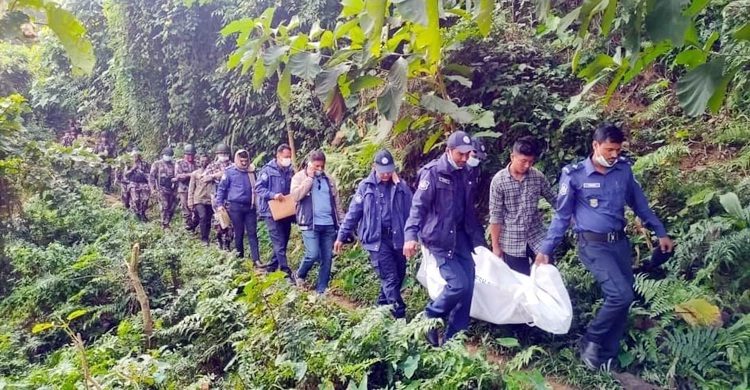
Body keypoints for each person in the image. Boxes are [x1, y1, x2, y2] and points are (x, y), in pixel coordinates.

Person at [535, 124, 674, 370]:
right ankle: (591, 340)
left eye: (618, 150)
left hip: (619, 244)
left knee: (624, 297)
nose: (614, 155)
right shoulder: (574, 174)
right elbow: (561, 216)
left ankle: (607, 356)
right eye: (609, 149)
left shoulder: (623, 171)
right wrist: (546, 249)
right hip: (593, 245)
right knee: (620, 295)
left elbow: (640, 205)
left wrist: (660, 232)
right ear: (595, 146)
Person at [403, 131, 487, 346]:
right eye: (461, 154)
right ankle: (429, 317)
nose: (465, 158)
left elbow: (468, 210)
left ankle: (453, 339)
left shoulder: (468, 172)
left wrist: (479, 242)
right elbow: (418, 207)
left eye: (468, 154)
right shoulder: (432, 173)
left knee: (468, 287)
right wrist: (410, 235)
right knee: (457, 284)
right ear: (449, 151)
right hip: (439, 238)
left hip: (462, 237)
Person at [334, 149, 412, 318]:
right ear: (374, 167)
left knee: (398, 276)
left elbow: (413, 209)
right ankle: (400, 318)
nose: (386, 175)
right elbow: (353, 213)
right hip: (377, 240)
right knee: (390, 278)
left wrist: (400, 185)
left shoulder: (400, 186)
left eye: (389, 171)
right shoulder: (366, 187)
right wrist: (341, 235)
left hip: (398, 239)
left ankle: (378, 314)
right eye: (382, 171)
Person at [489, 136, 557, 275]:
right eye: (523, 161)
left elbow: (554, 199)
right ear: (512, 157)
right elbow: (496, 217)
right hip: (511, 241)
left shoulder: (537, 176)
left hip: (537, 237)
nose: (527, 165)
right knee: (520, 283)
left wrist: (573, 217)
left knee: (548, 275)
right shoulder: (499, 181)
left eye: (531, 162)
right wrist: (496, 247)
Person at [291, 150, 343, 294]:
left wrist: (343, 223)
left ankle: (321, 291)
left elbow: (336, 203)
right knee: (312, 254)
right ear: (310, 164)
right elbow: (295, 196)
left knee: (327, 258)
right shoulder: (299, 177)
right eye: (316, 166)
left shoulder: (329, 180)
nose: (319, 169)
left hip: (328, 224)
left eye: (322, 166)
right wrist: (309, 178)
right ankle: (300, 274)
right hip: (309, 223)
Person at [255, 144, 295, 278]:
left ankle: (272, 266)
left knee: (283, 240)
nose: (288, 159)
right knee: (278, 241)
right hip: (270, 211)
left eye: (289, 157)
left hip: (285, 211)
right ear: (278, 156)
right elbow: (258, 188)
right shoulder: (267, 170)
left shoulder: (289, 170)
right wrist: (273, 195)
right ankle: (285, 271)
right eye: (285, 157)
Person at [216, 149, 261, 265]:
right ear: (237, 160)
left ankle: (256, 259)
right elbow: (221, 189)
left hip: (250, 207)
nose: (244, 163)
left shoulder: (251, 171)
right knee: (239, 232)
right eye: (242, 161)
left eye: (246, 161)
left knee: (252, 233)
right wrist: (219, 204)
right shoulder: (230, 172)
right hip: (235, 207)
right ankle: (239, 258)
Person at [202, 143, 234, 250]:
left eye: (225, 153)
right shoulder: (212, 166)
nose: (223, 155)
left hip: (230, 196)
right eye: (221, 153)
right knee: (219, 219)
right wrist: (214, 175)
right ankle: (219, 240)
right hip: (216, 196)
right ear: (217, 154)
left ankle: (227, 243)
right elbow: (204, 178)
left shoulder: (233, 165)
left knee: (230, 221)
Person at [188, 152, 214, 245]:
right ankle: (204, 239)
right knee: (202, 217)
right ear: (199, 162)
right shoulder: (195, 174)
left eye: (206, 161)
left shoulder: (212, 173)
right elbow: (191, 188)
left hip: (210, 200)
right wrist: (190, 201)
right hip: (199, 199)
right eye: (202, 161)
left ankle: (206, 235)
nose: (204, 163)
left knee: (208, 219)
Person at [150, 147, 178, 228]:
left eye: (170, 155)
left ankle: (168, 222)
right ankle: (165, 224)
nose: (168, 156)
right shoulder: (157, 164)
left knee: (172, 208)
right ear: (163, 155)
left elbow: (177, 176)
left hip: (172, 189)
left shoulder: (174, 165)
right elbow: (152, 177)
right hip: (161, 189)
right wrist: (153, 189)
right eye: (167, 155)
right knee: (164, 207)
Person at [125, 148, 151, 221]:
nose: (135, 157)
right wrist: (132, 169)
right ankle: (136, 214)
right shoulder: (129, 164)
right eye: (134, 155)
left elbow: (149, 174)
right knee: (136, 200)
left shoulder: (145, 164)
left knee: (145, 199)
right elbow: (125, 175)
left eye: (137, 155)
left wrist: (150, 183)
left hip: (143, 183)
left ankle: (142, 213)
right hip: (133, 183)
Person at [175, 144, 197, 231]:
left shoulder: (197, 163)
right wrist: (191, 175)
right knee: (185, 209)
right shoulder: (179, 163)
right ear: (184, 155)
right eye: (188, 155)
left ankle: (193, 226)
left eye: (192, 155)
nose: (190, 157)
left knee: (195, 209)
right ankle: (187, 227)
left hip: (195, 190)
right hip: (184, 189)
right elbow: (178, 176)